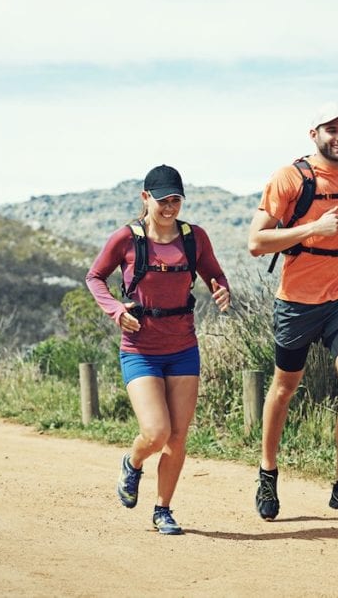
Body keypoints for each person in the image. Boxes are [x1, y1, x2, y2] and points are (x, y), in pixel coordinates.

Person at [246, 102, 338, 520]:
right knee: (284, 388)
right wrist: (312, 230)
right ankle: (267, 474)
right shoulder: (290, 178)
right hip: (297, 304)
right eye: (331, 130)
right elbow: (256, 242)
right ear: (314, 134)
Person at [86, 164, 231, 535]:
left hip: (183, 347)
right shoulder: (126, 238)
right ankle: (133, 463)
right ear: (145, 198)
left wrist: (221, 288)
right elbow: (95, 277)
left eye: (176, 200)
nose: (169, 207)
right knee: (156, 432)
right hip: (140, 349)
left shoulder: (194, 237)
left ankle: (163, 509)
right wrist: (117, 311)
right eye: (162, 200)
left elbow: (214, 273)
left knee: (179, 436)